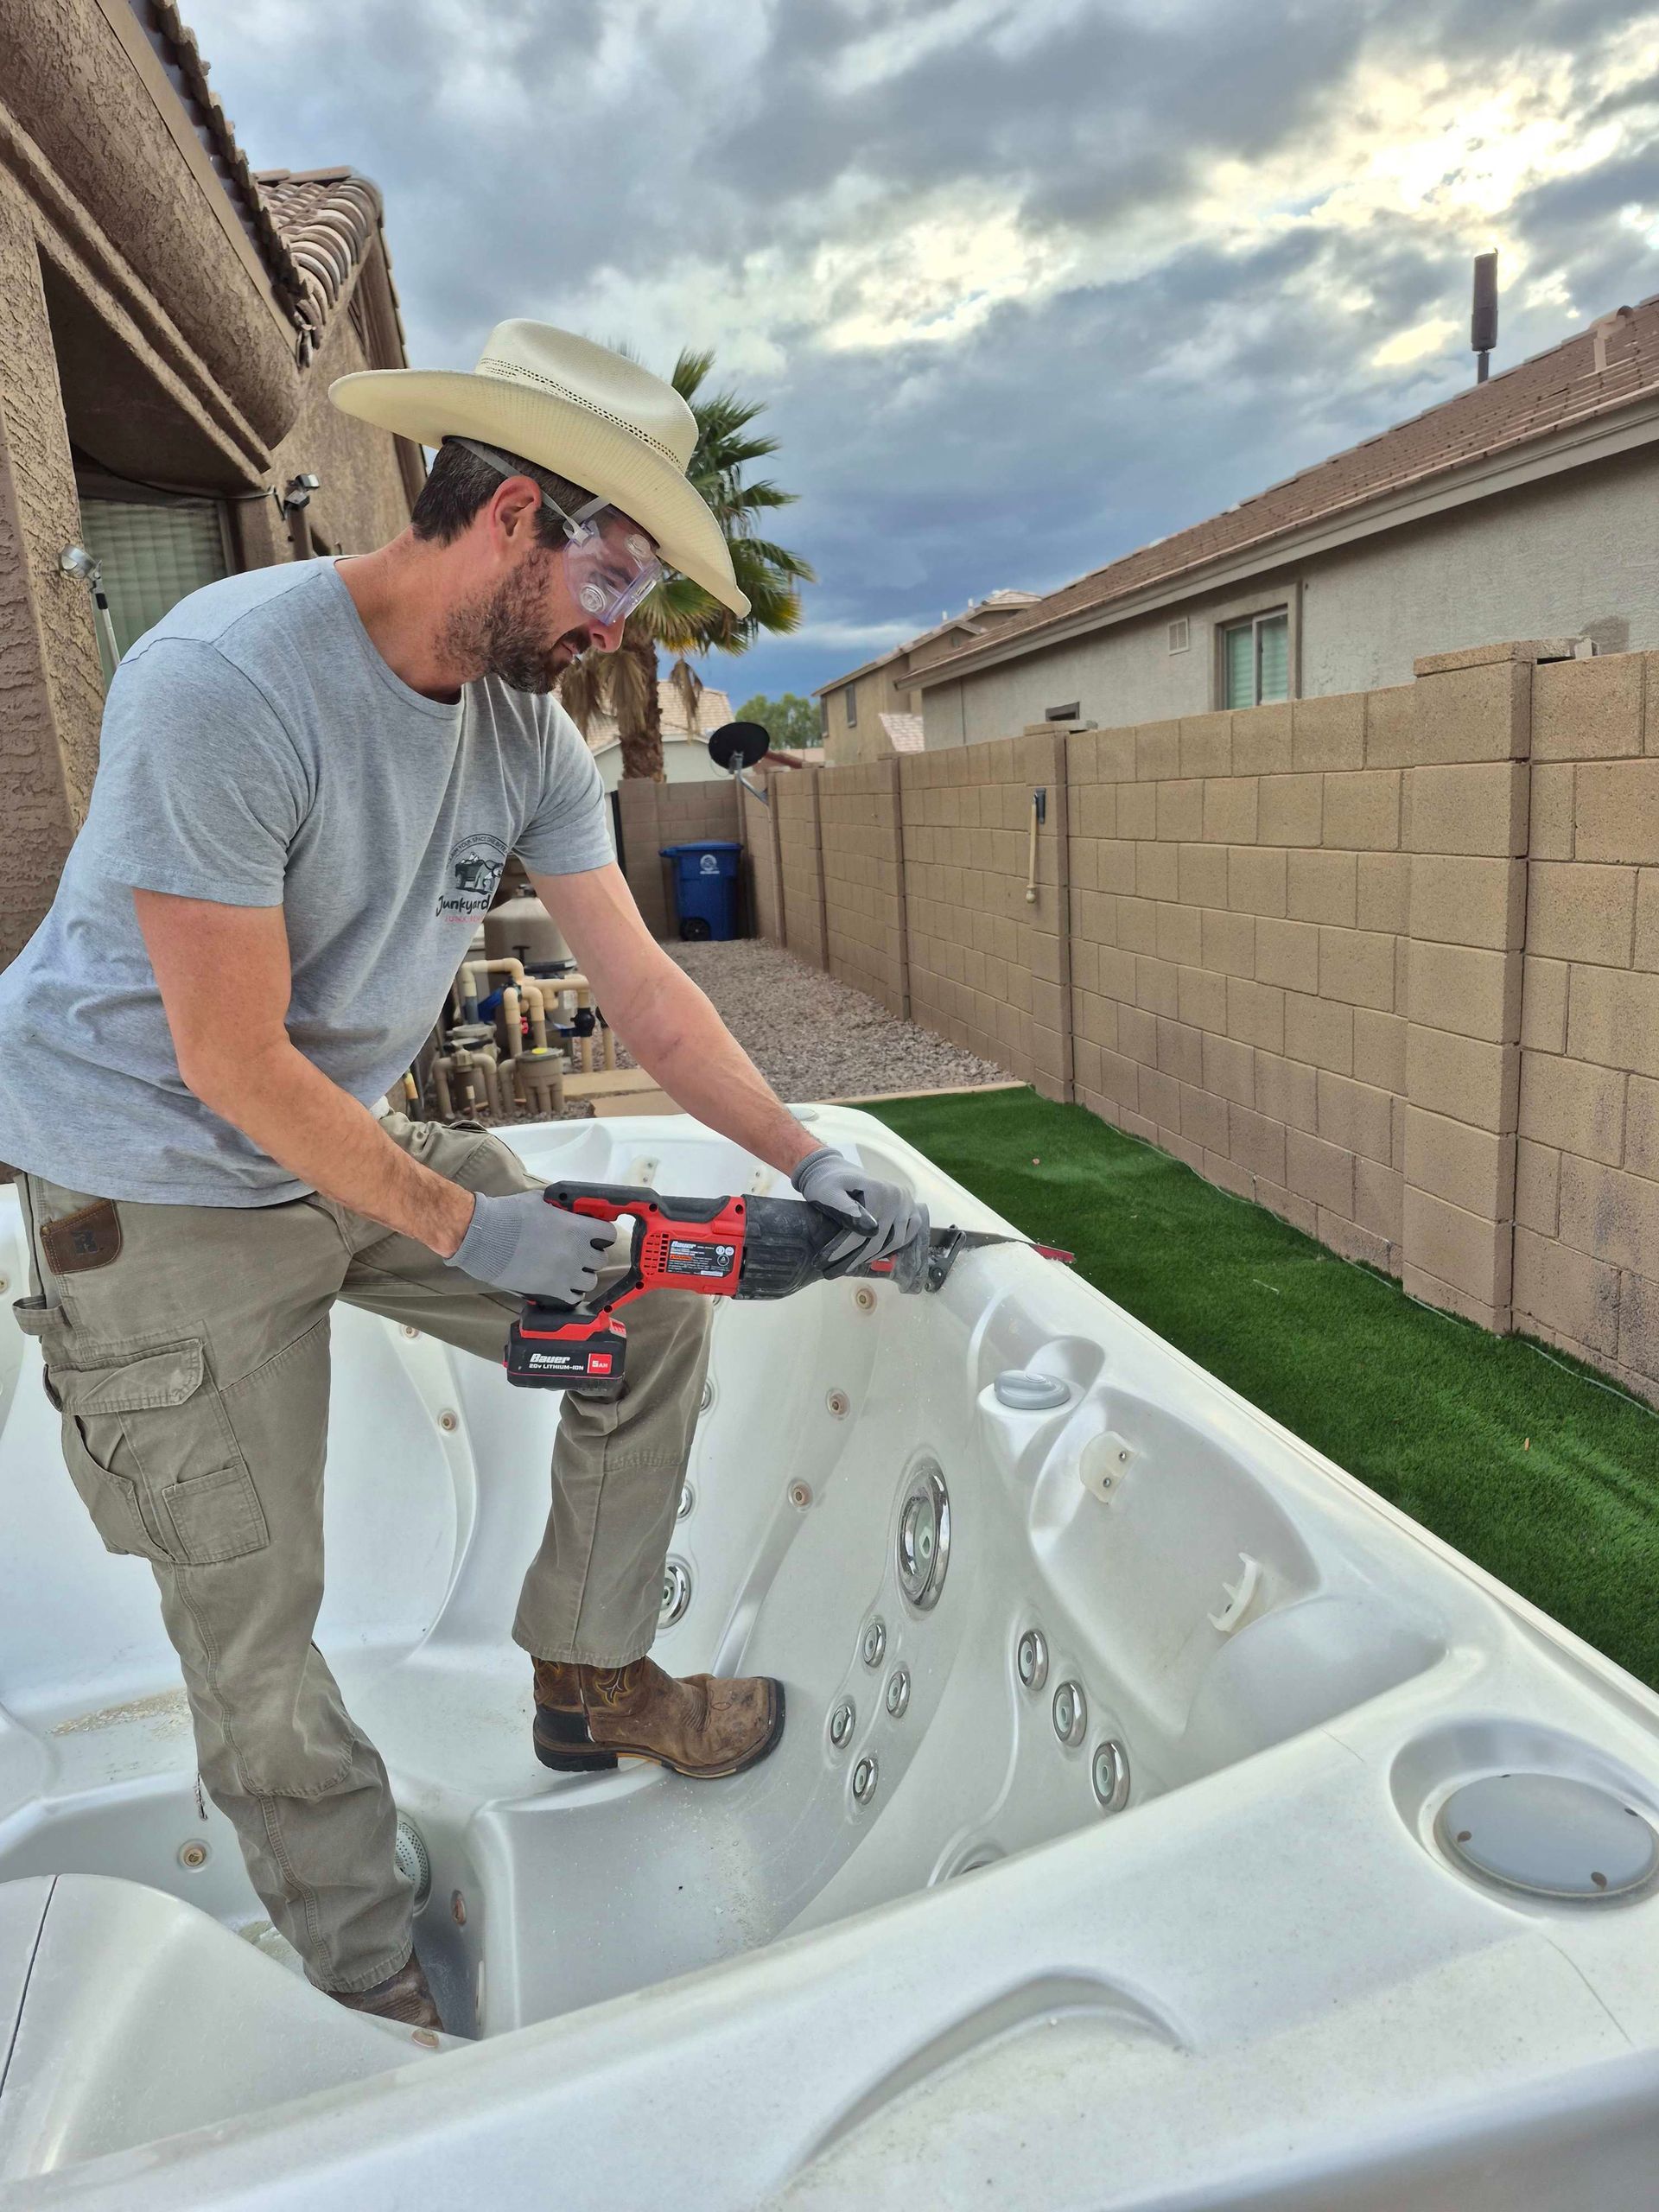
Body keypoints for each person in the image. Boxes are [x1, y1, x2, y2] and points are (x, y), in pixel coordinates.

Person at [0, 322, 924, 2032]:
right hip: (147, 1173)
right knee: (256, 1612)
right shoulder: (226, 681)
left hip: (323, 1128)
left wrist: (815, 1155)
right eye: (615, 573)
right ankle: (374, 1985)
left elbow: (646, 993)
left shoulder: (524, 736)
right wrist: (472, 1222)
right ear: (509, 517)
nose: (620, 625)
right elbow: (228, 1062)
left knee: (642, 1293)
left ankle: (591, 1680)